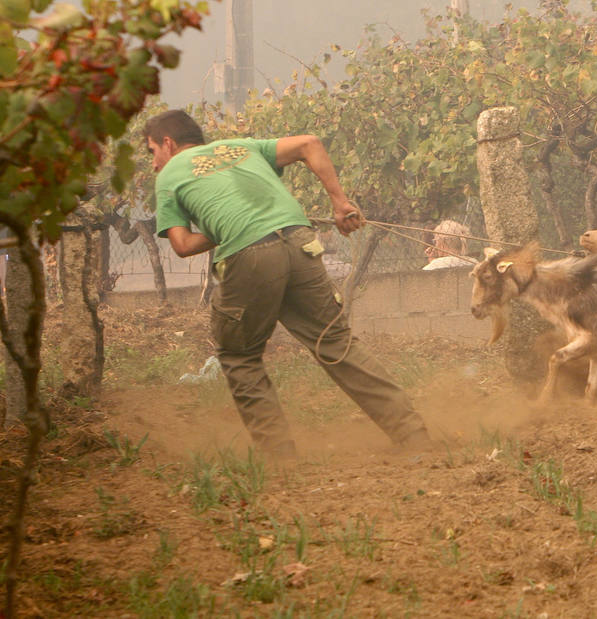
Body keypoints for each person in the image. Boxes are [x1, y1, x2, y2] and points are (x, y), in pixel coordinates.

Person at [143, 109, 430, 460]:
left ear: (168, 144)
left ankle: (279, 457)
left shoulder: (169, 175)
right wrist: (340, 203)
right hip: (299, 241)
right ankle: (413, 434)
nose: (154, 164)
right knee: (335, 343)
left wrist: (232, 227)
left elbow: (183, 245)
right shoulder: (240, 146)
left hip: (249, 256)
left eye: (152, 152)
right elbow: (310, 143)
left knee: (239, 356)